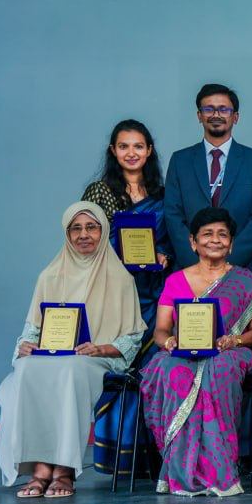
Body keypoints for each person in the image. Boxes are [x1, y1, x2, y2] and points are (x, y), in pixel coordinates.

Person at [0, 203, 145, 496]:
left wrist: (102, 347)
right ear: (66, 234)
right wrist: (25, 346)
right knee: (26, 368)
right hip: (52, 355)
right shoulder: (49, 276)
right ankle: (38, 468)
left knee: (70, 369)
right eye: (75, 228)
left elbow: (134, 336)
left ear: (103, 232)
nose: (83, 235)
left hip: (95, 359)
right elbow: (32, 328)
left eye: (91, 227)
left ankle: (63, 470)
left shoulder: (121, 279)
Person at [140, 208, 252, 497]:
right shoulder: (176, 281)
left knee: (218, 370)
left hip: (231, 352)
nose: (215, 240)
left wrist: (233, 341)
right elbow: (161, 329)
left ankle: (219, 470)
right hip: (182, 352)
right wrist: (168, 342)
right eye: (207, 234)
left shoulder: (246, 280)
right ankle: (181, 470)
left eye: (222, 235)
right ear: (192, 242)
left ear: (232, 244)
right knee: (171, 370)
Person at [81, 119, 170, 477]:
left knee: (151, 370)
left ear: (149, 151)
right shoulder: (100, 193)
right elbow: (87, 243)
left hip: (154, 293)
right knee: (121, 372)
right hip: (117, 293)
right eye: (123, 146)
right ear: (113, 151)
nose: (131, 153)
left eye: (138, 146)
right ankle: (120, 459)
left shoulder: (163, 194)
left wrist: (162, 255)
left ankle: (153, 460)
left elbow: (169, 241)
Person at [163, 83, 252, 283]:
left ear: (235, 117)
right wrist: (197, 263)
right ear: (199, 116)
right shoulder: (180, 161)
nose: (216, 114)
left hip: (244, 269)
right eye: (208, 109)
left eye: (224, 109)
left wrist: (227, 263)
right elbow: (173, 215)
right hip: (190, 271)